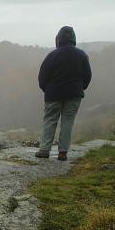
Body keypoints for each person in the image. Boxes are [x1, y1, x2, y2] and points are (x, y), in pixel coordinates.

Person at [35, 26, 92, 161]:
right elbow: (87, 76)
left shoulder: (52, 55)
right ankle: (63, 152)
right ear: (73, 39)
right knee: (68, 122)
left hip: (53, 94)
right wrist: (79, 88)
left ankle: (44, 150)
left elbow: (42, 77)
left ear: (58, 40)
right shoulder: (81, 55)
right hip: (74, 94)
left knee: (50, 120)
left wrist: (47, 89)